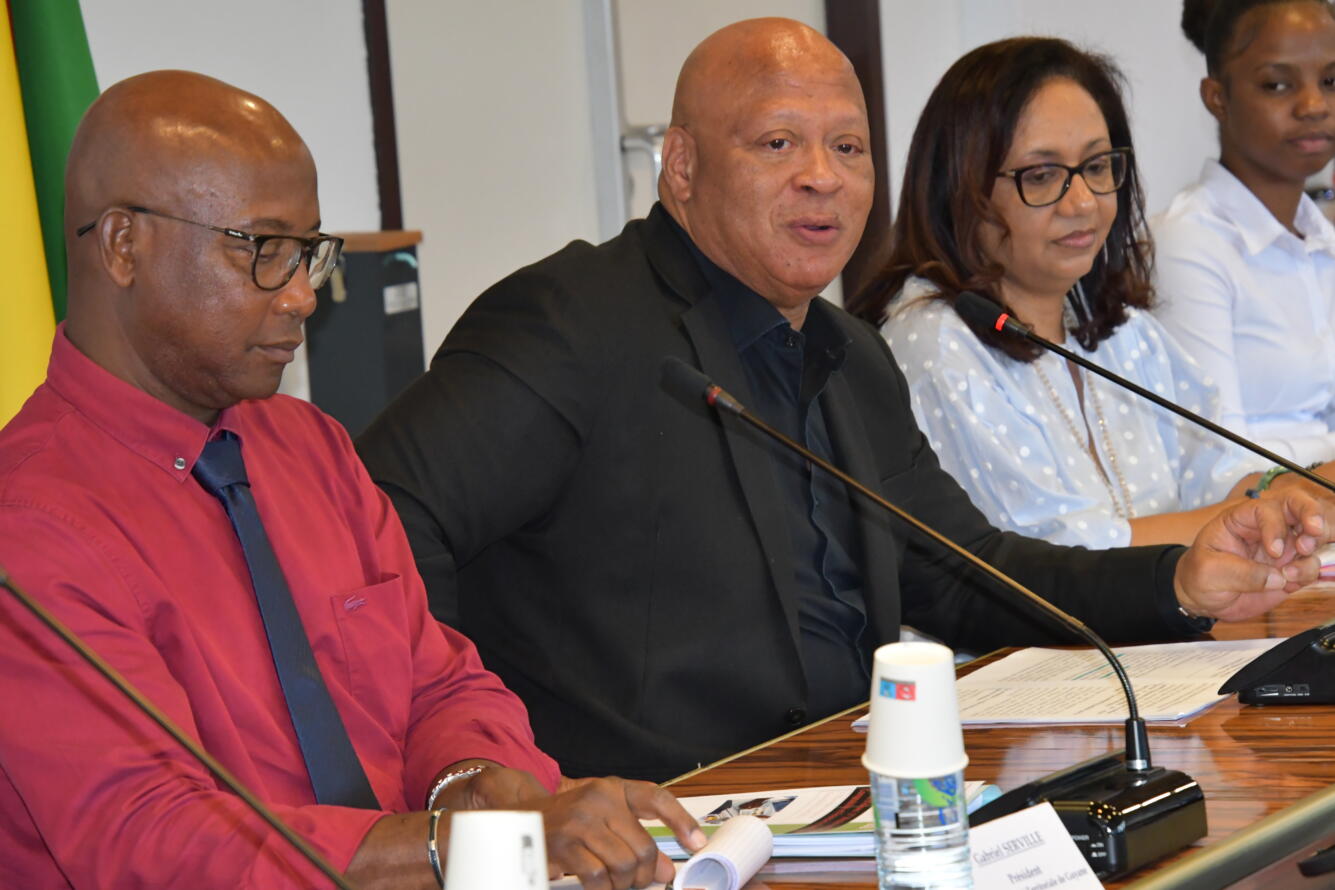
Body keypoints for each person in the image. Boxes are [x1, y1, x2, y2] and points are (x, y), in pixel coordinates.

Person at [356, 18, 1334, 785]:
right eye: (778, 143)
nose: (822, 178)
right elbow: (380, 518)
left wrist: (1178, 585)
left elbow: (964, 572)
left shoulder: (850, 354)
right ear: (682, 166)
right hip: (649, 815)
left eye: (849, 147)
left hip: (839, 794)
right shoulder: (571, 322)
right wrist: (475, 758)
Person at [0, 71, 702, 890]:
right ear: (125, 245)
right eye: (261, 249)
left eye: (307, 252)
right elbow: (153, 842)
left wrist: (471, 783)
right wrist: (457, 847)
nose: (302, 295)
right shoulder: (30, 527)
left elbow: (437, 680)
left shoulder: (309, 447)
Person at [848, 37, 1283, 549]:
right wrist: (1251, 520)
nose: (1082, 203)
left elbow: (1217, 470)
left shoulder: (1120, 330)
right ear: (959, 186)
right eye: (1042, 175)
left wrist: (1291, 497)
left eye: (1096, 167)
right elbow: (1058, 554)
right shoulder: (935, 343)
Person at [1154, 0, 1335, 465]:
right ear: (1217, 98)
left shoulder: (1322, 241)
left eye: (1331, 82)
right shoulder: (1186, 243)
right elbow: (1217, 464)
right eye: (1277, 85)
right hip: (1263, 506)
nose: (1314, 106)